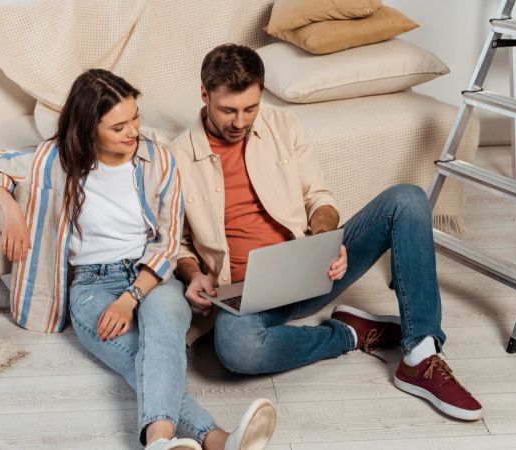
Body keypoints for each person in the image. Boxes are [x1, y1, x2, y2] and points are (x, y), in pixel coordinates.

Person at [171, 45, 483, 422]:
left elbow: (319, 200)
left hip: (310, 268)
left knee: (408, 199)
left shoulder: (281, 126)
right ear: (204, 95)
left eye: (250, 109)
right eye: (228, 111)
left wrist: (324, 241)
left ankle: (421, 354)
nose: (240, 122)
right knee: (237, 349)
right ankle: (349, 334)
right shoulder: (174, 159)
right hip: (244, 294)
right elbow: (176, 242)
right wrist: (193, 274)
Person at [0, 69, 277, 450]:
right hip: (90, 285)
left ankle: (160, 443)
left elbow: (167, 243)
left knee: (161, 338)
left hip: (154, 276)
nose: (133, 131)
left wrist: (130, 297)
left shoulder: (158, 160)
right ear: (88, 129)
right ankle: (218, 440)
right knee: (141, 357)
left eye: (135, 117)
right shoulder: (54, 160)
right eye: (118, 127)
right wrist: (10, 210)